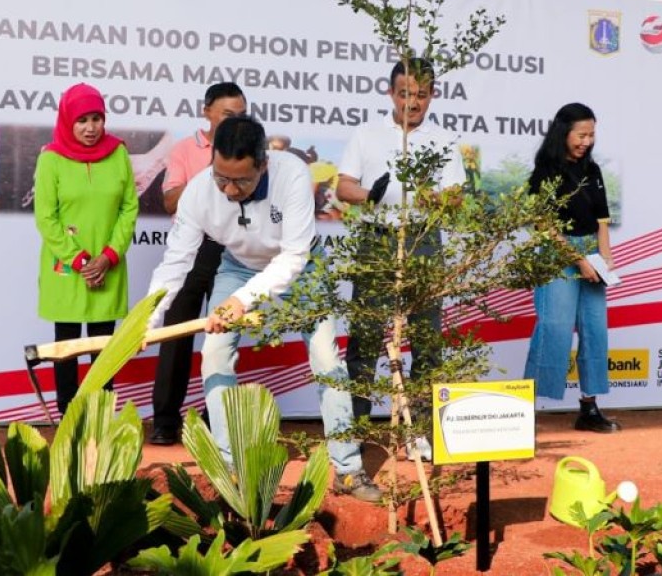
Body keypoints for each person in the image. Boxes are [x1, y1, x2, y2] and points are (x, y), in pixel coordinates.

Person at [145, 115, 382, 502]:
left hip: (301, 268)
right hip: (237, 267)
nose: (229, 189)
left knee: (326, 359)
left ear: (263, 164)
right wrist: (150, 319)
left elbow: (293, 256)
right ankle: (231, 467)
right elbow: (176, 262)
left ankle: (348, 469)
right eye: (222, 177)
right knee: (214, 355)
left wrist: (241, 301)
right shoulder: (199, 193)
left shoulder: (291, 174)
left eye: (241, 180)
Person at [335, 57, 465, 460]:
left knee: (426, 340)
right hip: (377, 243)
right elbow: (343, 186)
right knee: (366, 339)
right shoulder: (367, 134)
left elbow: (456, 197)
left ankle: (420, 432)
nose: (413, 102)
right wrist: (370, 195)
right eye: (405, 93)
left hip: (425, 241)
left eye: (421, 95)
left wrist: (431, 197)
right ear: (391, 93)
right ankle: (354, 432)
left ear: (433, 96)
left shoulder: (443, 139)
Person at [148, 82, 247, 445]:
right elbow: (170, 201)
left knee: (221, 339)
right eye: (228, 115)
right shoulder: (184, 150)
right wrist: (212, 169)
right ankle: (164, 421)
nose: (236, 121)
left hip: (232, 251)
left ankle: (211, 422)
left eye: (241, 115)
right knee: (176, 334)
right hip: (192, 249)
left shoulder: (249, 151)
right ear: (207, 111)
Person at [34, 83, 139, 417]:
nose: (91, 128)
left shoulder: (118, 153)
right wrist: (80, 261)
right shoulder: (50, 158)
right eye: (82, 120)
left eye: (96, 118)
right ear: (67, 121)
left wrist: (107, 257)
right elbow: (46, 218)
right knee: (65, 348)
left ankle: (100, 420)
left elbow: (129, 208)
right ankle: (67, 418)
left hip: (109, 266)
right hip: (67, 269)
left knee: (104, 349)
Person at [522, 103, 621, 433]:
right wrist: (578, 260)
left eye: (591, 135)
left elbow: (602, 221)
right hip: (557, 256)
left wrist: (604, 259)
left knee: (595, 331)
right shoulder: (545, 171)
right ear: (564, 132)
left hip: (591, 253)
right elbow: (545, 227)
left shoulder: (593, 171)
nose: (587, 142)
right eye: (581, 135)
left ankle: (589, 408)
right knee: (554, 329)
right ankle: (525, 413)